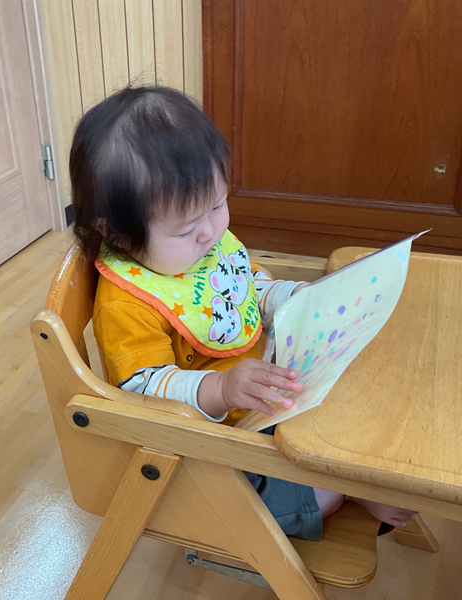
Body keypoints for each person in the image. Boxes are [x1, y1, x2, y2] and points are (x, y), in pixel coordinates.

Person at [69, 85, 415, 540]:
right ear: (116, 233)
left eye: (217, 204)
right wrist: (221, 388)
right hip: (213, 448)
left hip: (263, 400)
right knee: (318, 493)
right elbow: (146, 392)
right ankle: (350, 490)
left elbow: (244, 289)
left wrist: (294, 297)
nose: (210, 231)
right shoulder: (126, 303)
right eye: (186, 229)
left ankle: (357, 474)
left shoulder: (201, 247)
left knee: (359, 398)